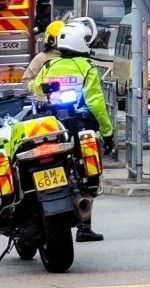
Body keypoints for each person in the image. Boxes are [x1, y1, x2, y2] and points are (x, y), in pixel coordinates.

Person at [29, 17, 113, 243]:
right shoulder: (86, 67)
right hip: (79, 127)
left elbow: (35, 90)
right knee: (87, 173)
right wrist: (108, 132)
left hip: (50, 128)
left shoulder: (48, 66)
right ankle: (85, 226)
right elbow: (96, 103)